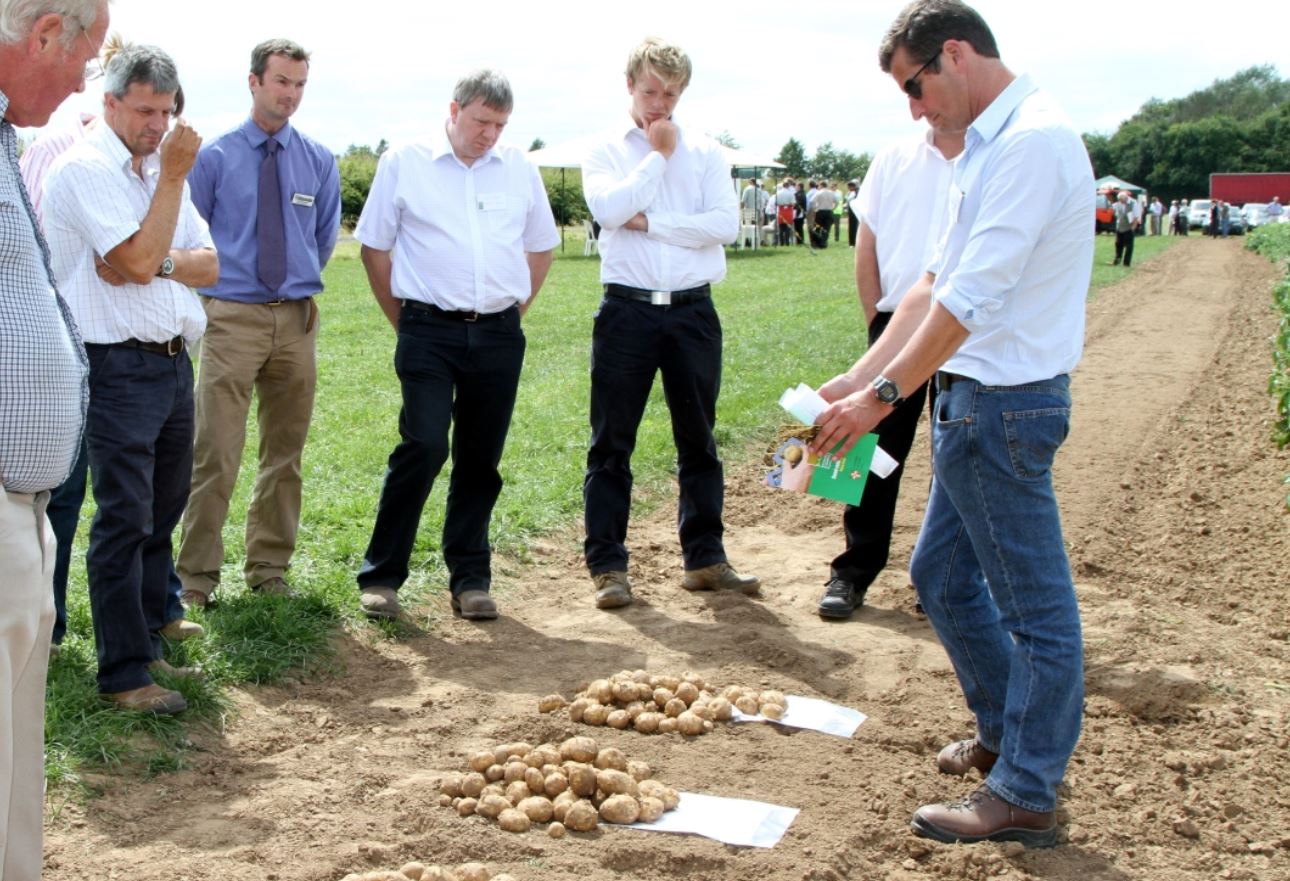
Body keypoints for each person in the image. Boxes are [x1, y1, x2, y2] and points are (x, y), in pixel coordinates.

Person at [813, 0, 1092, 847]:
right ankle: (1007, 739)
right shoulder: (990, 147)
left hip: (1004, 406)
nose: (914, 109)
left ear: (956, 56)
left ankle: (1026, 789)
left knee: (1036, 613)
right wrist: (861, 374)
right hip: (975, 406)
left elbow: (969, 303)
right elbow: (932, 280)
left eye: (914, 86)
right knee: (940, 577)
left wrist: (882, 399)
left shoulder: (1032, 144)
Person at [44, 43, 217, 715]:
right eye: (146, 109)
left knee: (162, 509)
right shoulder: (85, 171)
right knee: (124, 516)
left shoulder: (156, 172)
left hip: (173, 359)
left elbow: (208, 264)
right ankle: (122, 673)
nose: (158, 124)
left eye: (167, 111)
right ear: (110, 101)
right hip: (114, 363)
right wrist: (170, 188)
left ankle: (148, 639)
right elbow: (139, 259)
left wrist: (161, 260)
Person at [353, 69, 558, 621]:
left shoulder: (518, 169)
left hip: (497, 333)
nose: (489, 134)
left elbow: (542, 246)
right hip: (427, 329)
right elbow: (374, 247)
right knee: (422, 444)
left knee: (480, 458)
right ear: (454, 109)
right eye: (480, 121)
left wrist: (516, 308)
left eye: (500, 124)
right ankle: (381, 576)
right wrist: (403, 320)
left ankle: (470, 578)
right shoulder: (406, 162)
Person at [581, 36, 758, 610]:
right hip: (626, 310)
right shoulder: (606, 148)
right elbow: (609, 212)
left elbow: (724, 226)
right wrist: (656, 157)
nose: (660, 103)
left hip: (692, 311)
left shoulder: (706, 151)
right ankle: (608, 566)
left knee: (699, 440)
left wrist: (649, 221)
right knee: (611, 443)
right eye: (651, 89)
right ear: (630, 85)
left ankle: (705, 559)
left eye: (672, 93)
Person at [177, 38, 341, 608]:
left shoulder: (318, 160)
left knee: (284, 453)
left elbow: (321, 241)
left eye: (298, 84)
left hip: (296, 321)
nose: (290, 94)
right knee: (216, 450)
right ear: (254, 82)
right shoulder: (214, 158)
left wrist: (292, 288)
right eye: (280, 82)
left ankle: (269, 566)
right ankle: (195, 578)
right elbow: (188, 238)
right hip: (231, 319)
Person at [0, 0, 107, 872]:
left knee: (13, 778)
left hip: (23, 506)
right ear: (43, 35)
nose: (83, 81)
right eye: (88, 59)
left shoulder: (6, 140)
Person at [817, 118, 964, 621]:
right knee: (872, 452)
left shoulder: (990, 155)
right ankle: (853, 571)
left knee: (958, 455)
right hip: (896, 324)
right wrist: (877, 325)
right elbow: (868, 244)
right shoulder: (893, 157)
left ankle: (945, 580)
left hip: (963, 331)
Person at [808, 179, 837, 248]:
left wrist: (815, 208)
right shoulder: (831, 193)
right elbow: (836, 201)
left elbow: (812, 201)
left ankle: (817, 242)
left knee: (817, 228)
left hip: (820, 211)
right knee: (826, 228)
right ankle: (823, 243)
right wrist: (833, 208)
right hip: (829, 211)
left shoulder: (818, 192)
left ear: (821, 185)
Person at [1110, 190, 1136, 266]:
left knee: (1129, 246)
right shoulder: (1116, 205)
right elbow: (1116, 215)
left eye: (1123, 200)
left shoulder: (1131, 204)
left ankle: (1126, 263)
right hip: (1119, 228)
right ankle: (1117, 260)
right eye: (1120, 200)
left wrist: (1133, 228)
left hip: (1128, 228)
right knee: (1118, 244)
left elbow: (1135, 217)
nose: (1122, 201)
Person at [775, 178, 796, 244]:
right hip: (788, 210)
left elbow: (776, 203)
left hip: (781, 210)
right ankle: (787, 241)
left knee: (781, 227)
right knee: (788, 227)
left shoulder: (778, 193)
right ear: (788, 186)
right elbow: (793, 203)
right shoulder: (790, 193)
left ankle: (781, 242)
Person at [845, 178, 859, 246]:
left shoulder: (854, 193)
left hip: (854, 211)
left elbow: (849, 200)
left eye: (851, 186)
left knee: (853, 227)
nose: (849, 187)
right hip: (851, 210)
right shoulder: (850, 193)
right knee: (852, 227)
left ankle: (853, 242)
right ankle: (852, 242)